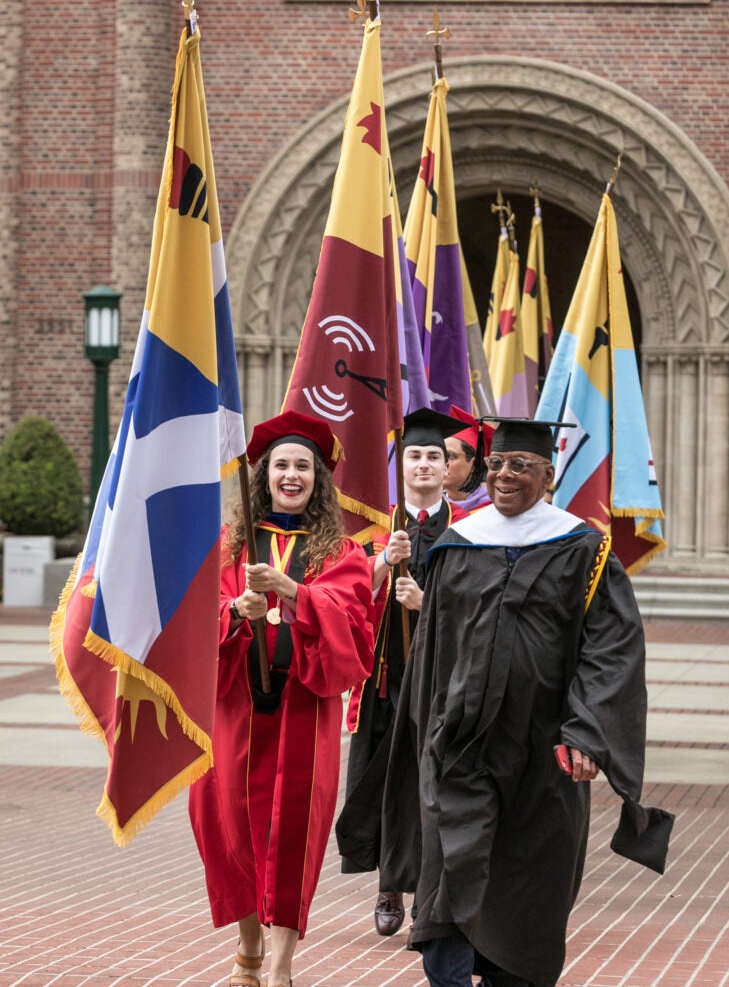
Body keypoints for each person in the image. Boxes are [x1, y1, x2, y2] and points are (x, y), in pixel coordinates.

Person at [379, 417, 675, 987]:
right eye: (495, 465)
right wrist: (423, 725)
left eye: (520, 465)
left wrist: (588, 733)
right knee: (449, 873)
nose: (505, 475)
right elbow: (435, 644)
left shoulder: (582, 547)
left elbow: (610, 649)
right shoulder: (459, 544)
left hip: (543, 748)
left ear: (548, 472)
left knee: (529, 877)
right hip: (459, 741)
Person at [189, 410, 376, 987]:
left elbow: (357, 626)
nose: (291, 475)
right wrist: (231, 613)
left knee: (293, 831)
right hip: (234, 707)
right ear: (265, 475)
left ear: (318, 480)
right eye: (281, 466)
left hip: (301, 710)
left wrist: (293, 591)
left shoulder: (340, 551)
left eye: (303, 467)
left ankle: (280, 964)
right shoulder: (228, 547)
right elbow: (189, 622)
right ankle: (248, 944)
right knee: (227, 824)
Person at [335, 407, 470, 938]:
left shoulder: (468, 530)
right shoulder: (375, 526)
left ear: (448, 467)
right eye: (414, 455)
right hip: (385, 684)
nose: (423, 465)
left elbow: (480, 606)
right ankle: (391, 882)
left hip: (442, 682)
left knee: (435, 784)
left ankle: (431, 893)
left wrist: (426, 603)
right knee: (386, 782)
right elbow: (344, 596)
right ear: (401, 464)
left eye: (434, 456)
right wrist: (382, 565)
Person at [443, 404, 493, 513]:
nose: (441, 463)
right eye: (438, 456)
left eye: (450, 456)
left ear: (475, 464)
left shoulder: (493, 507)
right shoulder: (431, 507)